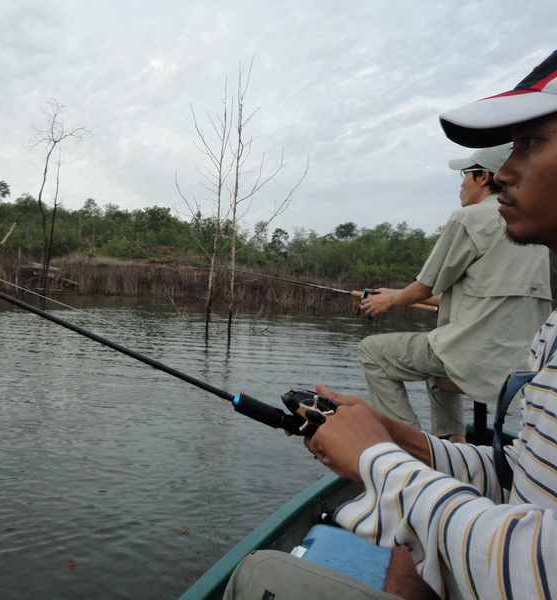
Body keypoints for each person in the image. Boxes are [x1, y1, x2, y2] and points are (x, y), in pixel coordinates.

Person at [224, 48, 557, 600]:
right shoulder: (549, 322)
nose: (501, 174)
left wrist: (379, 460)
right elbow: (523, 473)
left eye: (531, 142)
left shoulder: (470, 219)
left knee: (258, 573)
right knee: (426, 371)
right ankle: (427, 438)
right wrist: (396, 436)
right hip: (499, 364)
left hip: (462, 355)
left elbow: (539, 570)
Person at [357, 146, 551, 443]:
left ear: (483, 176)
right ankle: (453, 442)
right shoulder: (530, 229)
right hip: (521, 365)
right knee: (438, 360)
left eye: (465, 175)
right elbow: (482, 297)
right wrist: (394, 293)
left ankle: (412, 445)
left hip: (474, 356)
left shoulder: (469, 217)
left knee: (373, 350)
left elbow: (424, 287)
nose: (461, 184)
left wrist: (388, 301)